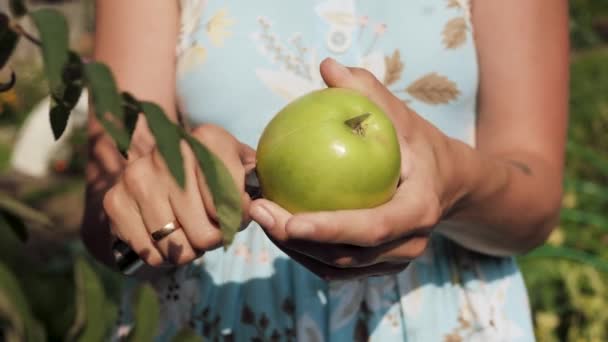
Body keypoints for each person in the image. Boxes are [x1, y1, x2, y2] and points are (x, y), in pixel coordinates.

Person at [82, 0, 569, 340]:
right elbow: (106, 219)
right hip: (211, 318)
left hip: (447, 322)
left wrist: (453, 188)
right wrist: (159, 199)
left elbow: (536, 203)